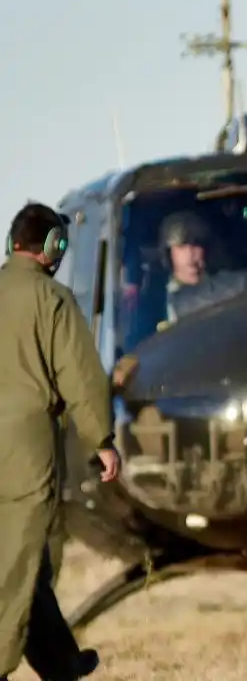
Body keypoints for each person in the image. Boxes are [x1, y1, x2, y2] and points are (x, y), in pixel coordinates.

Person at [0, 202, 122, 681]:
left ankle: (60, 662)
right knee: (18, 566)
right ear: (54, 247)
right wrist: (102, 439)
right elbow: (80, 374)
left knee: (16, 559)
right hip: (26, 450)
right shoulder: (52, 299)